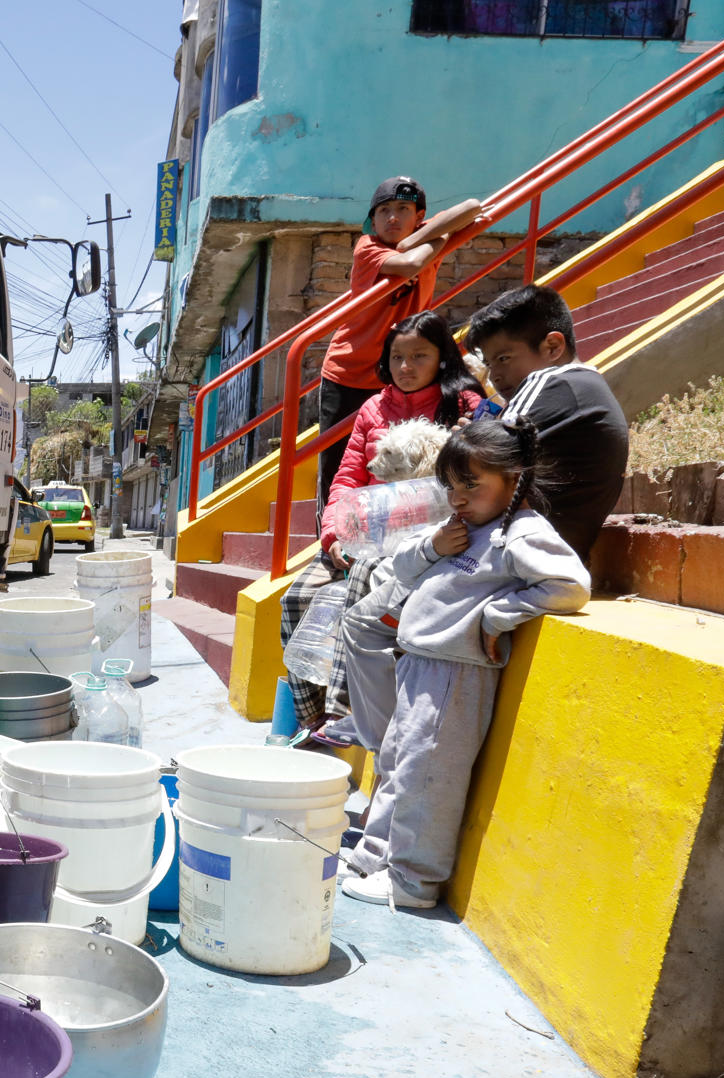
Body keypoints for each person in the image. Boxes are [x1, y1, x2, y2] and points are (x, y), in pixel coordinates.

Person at [339, 418, 591, 909]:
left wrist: (498, 616)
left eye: (471, 485)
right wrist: (434, 546)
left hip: (455, 672)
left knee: (427, 775)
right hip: (421, 661)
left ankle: (413, 881)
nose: (458, 497)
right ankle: (375, 854)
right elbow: (401, 567)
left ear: (513, 479)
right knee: (394, 762)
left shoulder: (518, 533)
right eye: (450, 486)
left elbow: (569, 585)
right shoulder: (464, 526)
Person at [280, 311, 485, 742]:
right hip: (364, 531)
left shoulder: (464, 403)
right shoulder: (373, 408)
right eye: (397, 357)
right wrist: (333, 534)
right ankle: (310, 718)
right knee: (296, 598)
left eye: (419, 356)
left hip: (427, 537)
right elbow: (348, 476)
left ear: (442, 358)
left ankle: (341, 713)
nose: (406, 367)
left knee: (359, 582)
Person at [314, 178, 482, 506]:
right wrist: (429, 242)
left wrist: (420, 238)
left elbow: (472, 207)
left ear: (419, 215)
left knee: (402, 459)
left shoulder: (425, 235)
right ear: (372, 220)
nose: (393, 217)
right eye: (384, 210)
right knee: (340, 465)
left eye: (403, 209)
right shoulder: (368, 246)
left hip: (401, 371)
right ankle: (330, 540)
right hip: (348, 372)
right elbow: (410, 265)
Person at [465, 284, 630, 564]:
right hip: (547, 559)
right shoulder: (584, 388)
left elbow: (468, 470)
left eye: (504, 358)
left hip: (507, 559)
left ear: (552, 347)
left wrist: (461, 443)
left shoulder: (549, 382)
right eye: (490, 364)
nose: (496, 376)